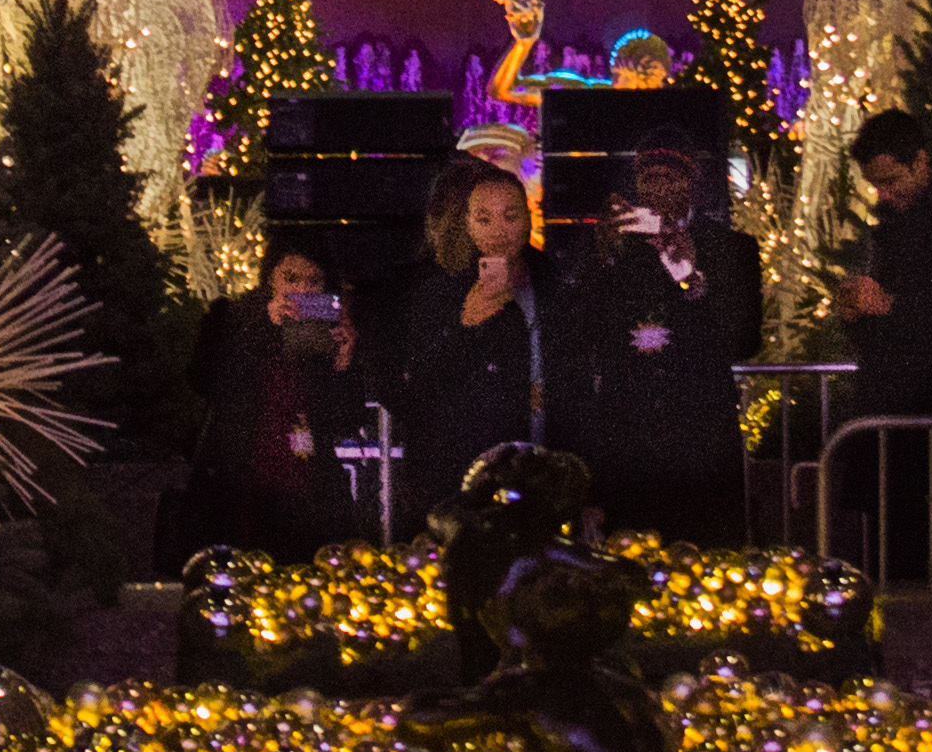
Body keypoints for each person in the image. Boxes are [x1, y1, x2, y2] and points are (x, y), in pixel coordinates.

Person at [565, 143, 761, 541]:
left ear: (691, 184)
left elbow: (742, 340)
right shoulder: (615, 243)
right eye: (646, 178)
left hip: (700, 436)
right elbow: (581, 333)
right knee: (631, 558)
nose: (656, 189)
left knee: (706, 555)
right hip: (629, 438)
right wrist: (603, 254)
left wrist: (691, 276)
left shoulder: (729, 248)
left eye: (668, 178)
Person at [832, 107, 932, 576]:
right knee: (888, 543)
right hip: (889, 406)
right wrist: (856, 311)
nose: (885, 193)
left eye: (891, 179)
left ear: (921, 162)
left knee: (923, 545)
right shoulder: (891, 229)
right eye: (876, 184)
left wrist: (888, 307)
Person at [177, 247, 386, 557]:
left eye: (313, 282)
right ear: (270, 280)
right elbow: (206, 381)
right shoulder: (235, 319)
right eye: (290, 278)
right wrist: (263, 327)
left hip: (310, 490)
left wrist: (343, 364)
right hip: (245, 489)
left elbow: (346, 419)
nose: (301, 290)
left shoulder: (324, 336)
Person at [392, 161, 550, 529]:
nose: (498, 231)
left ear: (528, 219)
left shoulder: (552, 282)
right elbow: (415, 390)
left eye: (510, 216)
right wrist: (464, 325)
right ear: (467, 225)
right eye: (484, 219)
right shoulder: (440, 293)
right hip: (464, 475)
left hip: (542, 464)